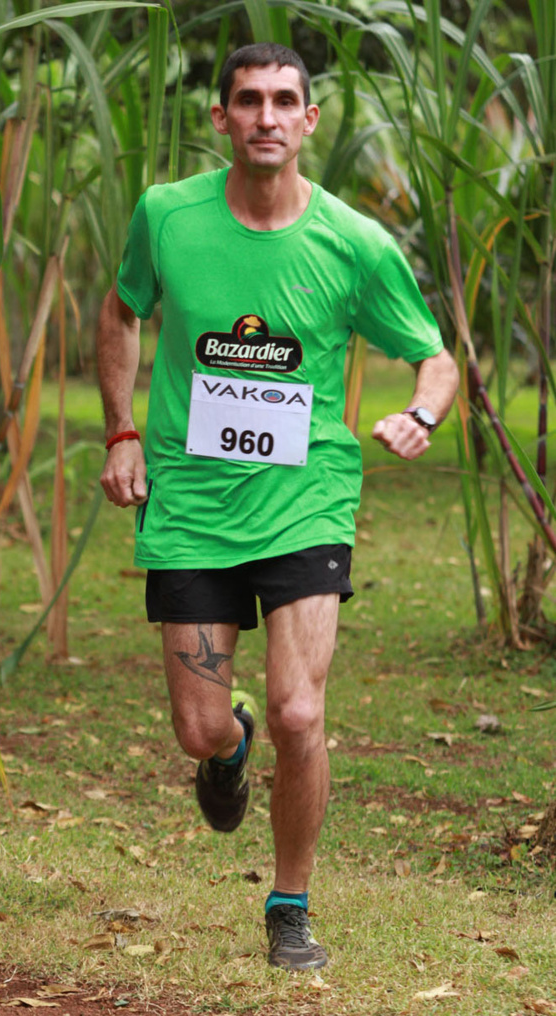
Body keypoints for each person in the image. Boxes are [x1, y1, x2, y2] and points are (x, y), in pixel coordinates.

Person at [96, 42, 459, 972]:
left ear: (307, 121)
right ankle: (229, 748)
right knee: (199, 728)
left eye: (284, 101)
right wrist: (122, 432)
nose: (266, 116)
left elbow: (436, 354)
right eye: (247, 100)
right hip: (190, 506)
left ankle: (289, 905)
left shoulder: (354, 243)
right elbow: (121, 308)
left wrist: (421, 412)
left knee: (304, 712)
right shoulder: (167, 217)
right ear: (220, 119)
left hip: (307, 502)